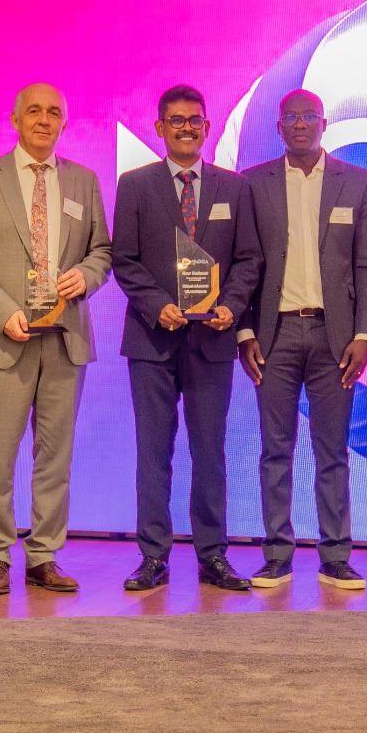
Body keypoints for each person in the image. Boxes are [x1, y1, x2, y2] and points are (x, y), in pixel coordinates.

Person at [0, 83, 113, 594]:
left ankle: (43, 556)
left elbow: (103, 252)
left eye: (54, 112)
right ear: (15, 119)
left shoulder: (83, 181)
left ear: (64, 122)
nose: (44, 120)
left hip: (65, 339)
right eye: (34, 111)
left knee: (54, 457)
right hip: (4, 339)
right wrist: (4, 313)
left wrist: (87, 275)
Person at [112, 85, 260, 592]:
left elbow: (249, 260)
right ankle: (153, 556)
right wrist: (158, 305)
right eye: (175, 120)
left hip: (212, 340)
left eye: (195, 120)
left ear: (207, 127)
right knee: (153, 452)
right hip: (152, 340)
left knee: (210, 452)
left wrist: (231, 306)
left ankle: (212, 555)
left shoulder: (233, 188)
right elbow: (124, 259)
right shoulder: (135, 185)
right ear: (159, 127)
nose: (186, 128)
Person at [237, 89, 367, 590]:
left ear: (324, 122)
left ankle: (335, 556)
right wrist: (244, 330)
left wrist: (365, 334)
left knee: (332, 451)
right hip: (272, 335)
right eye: (290, 117)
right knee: (275, 450)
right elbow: (243, 264)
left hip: (335, 336)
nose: (300, 124)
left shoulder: (357, 182)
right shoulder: (252, 183)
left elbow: (366, 265)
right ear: (278, 127)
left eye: (309, 116)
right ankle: (277, 554)